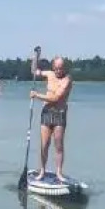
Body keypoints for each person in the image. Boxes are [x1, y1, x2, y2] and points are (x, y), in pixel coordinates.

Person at [29, 45, 73, 177]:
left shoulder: (67, 80)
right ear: (53, 67)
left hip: (59, 114)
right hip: (46, 113)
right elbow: (34, 72)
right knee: (44, 144)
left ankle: (59, 173)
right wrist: (36, 58)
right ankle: (42, 170)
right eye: (57, 68)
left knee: (58, 145)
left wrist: (36, 95)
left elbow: (55, 97)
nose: (59, 70)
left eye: (61, 68)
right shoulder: (49, 74)